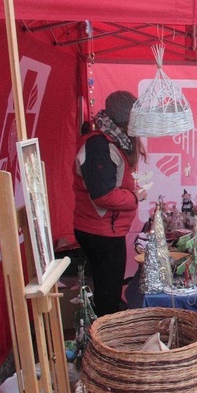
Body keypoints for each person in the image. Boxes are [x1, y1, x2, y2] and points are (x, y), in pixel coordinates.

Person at [73, 90, 147, 315]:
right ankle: (105, 339)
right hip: (99, 231)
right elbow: (102, 195)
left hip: (108, 229)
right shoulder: (98, 145)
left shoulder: (115, 140)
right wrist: (134, 197)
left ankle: (108, 328)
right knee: (108, 294)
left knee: (111, 289)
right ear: (125, 120)